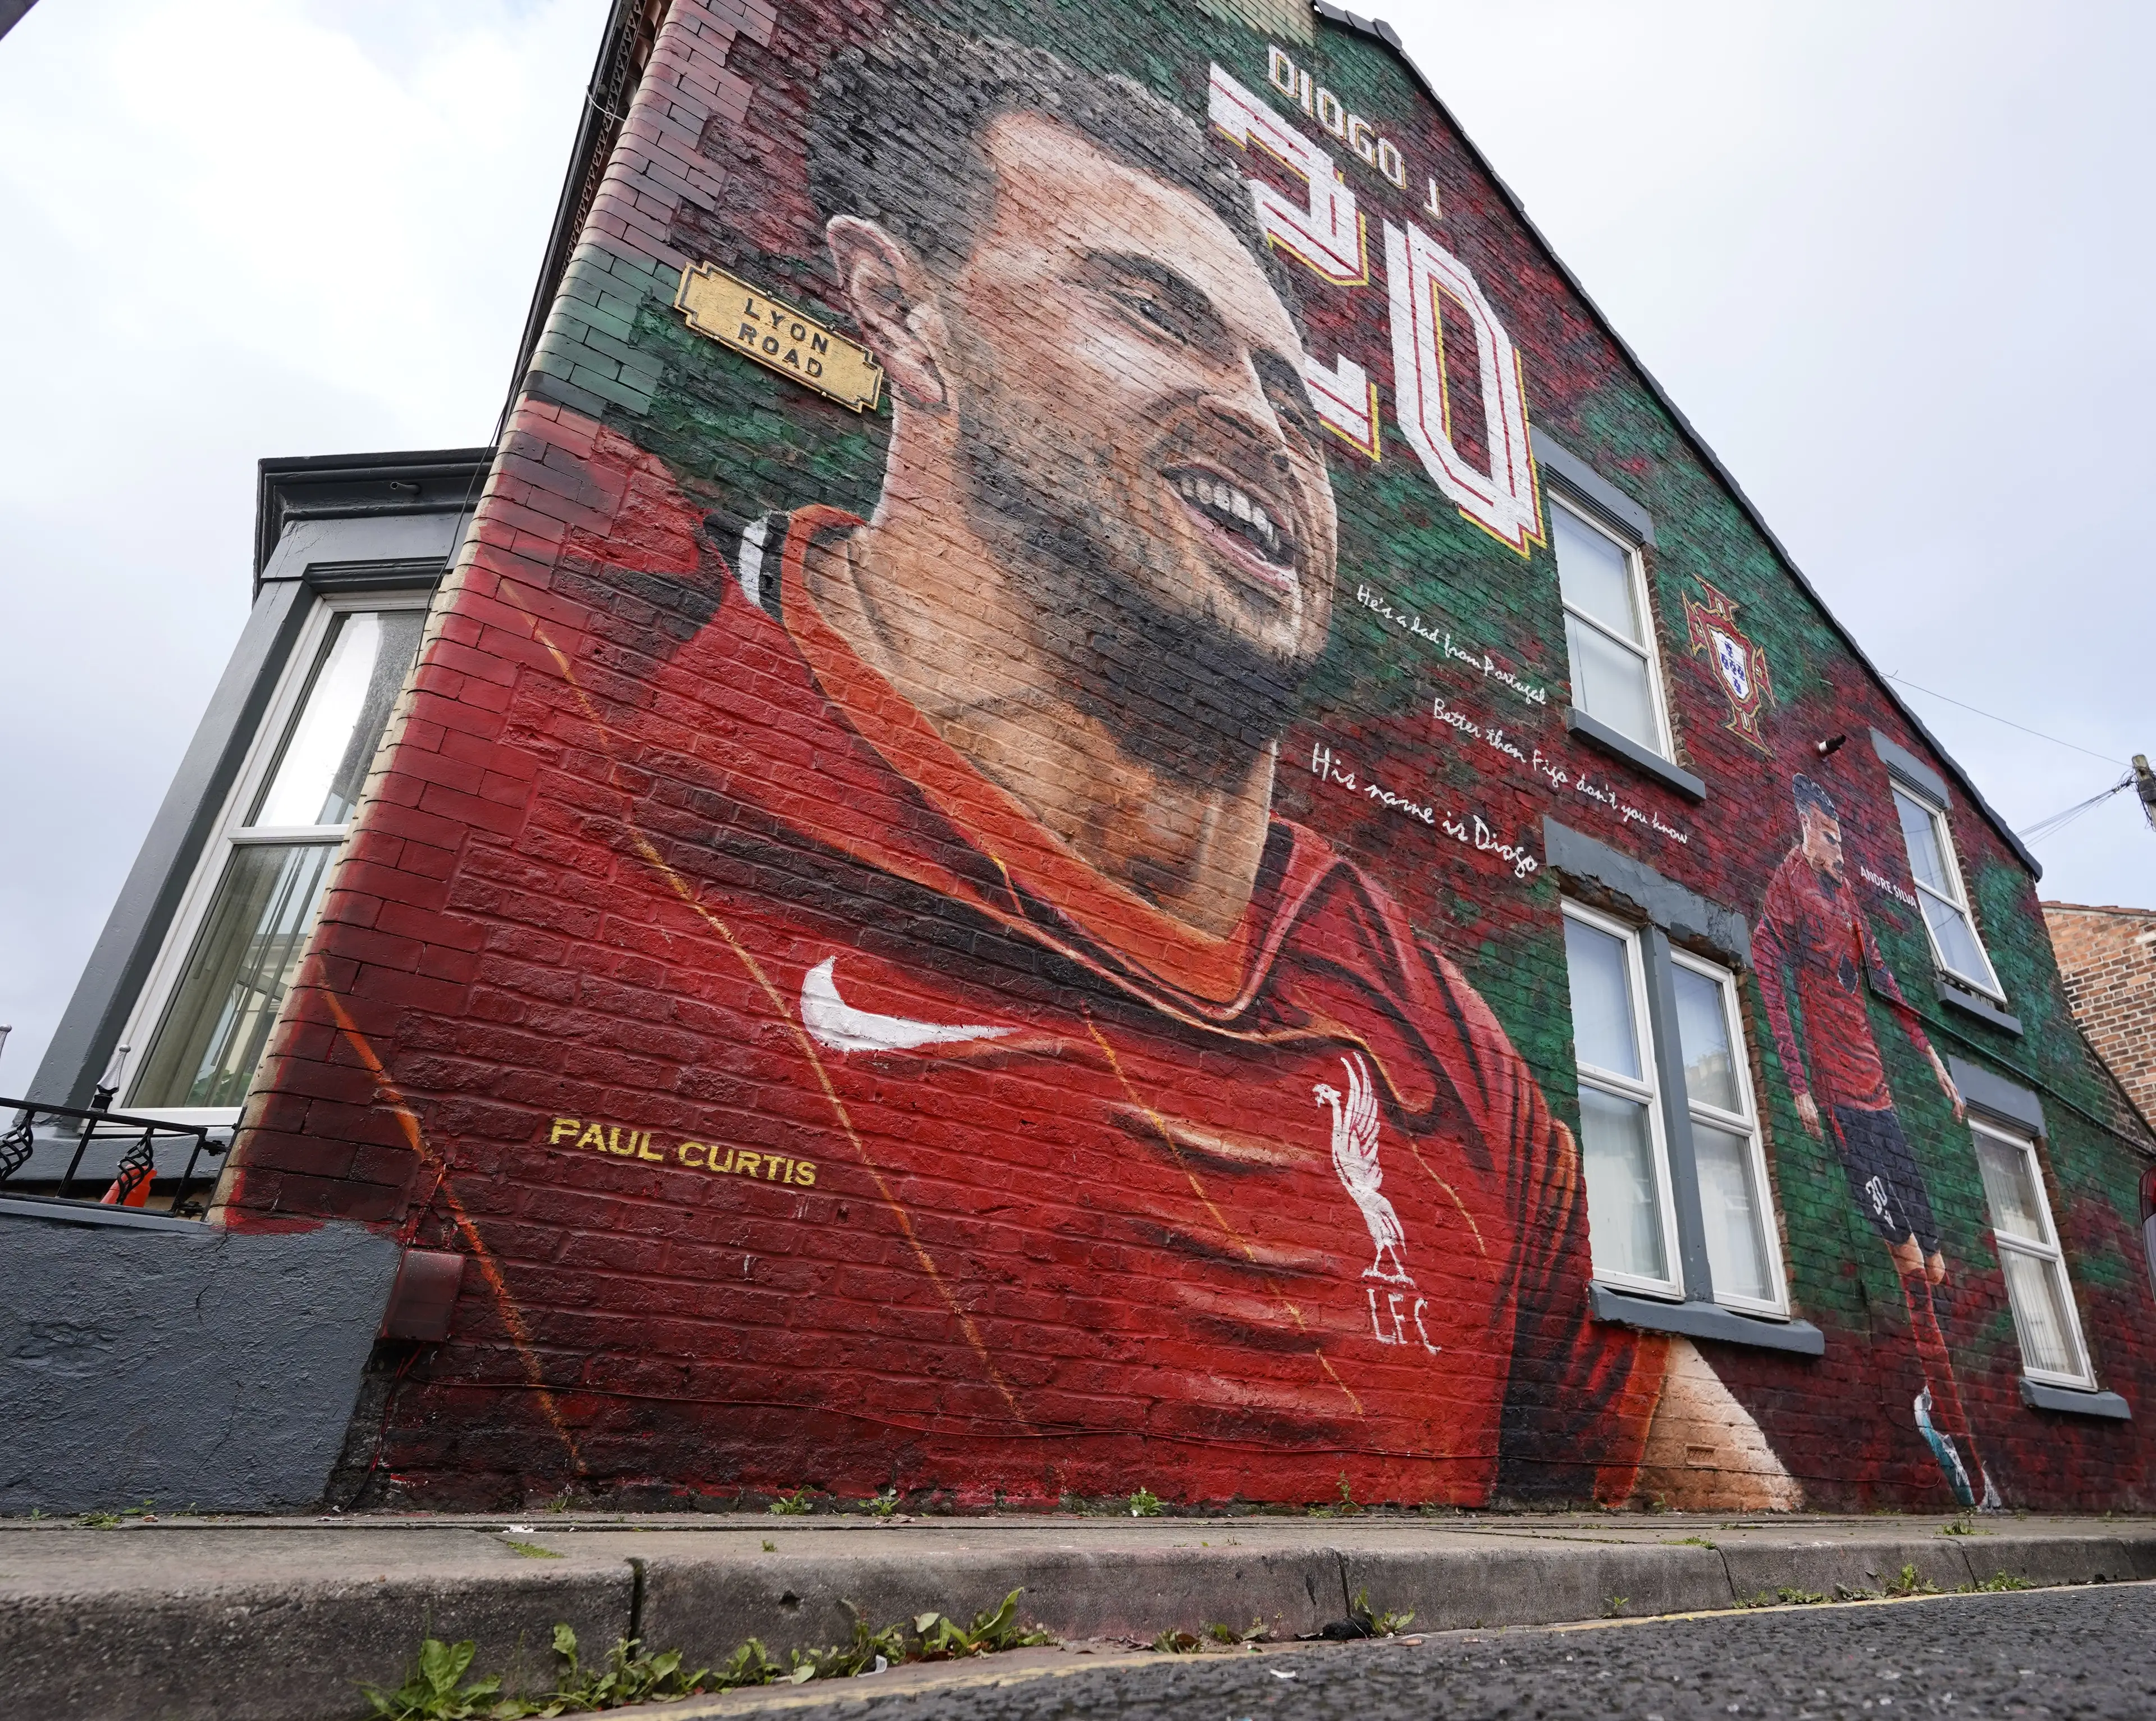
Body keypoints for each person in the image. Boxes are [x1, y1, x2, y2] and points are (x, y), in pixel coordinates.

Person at [501, 19, 1783, 1507]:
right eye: (1148, 310)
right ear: (898, 314)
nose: (1261, 418)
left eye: (1290, 393)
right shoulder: (590, 642)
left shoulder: (1424, 1023)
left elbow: (1719, 1506)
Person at [1753, 775, 1995, 1507]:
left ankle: (1942, 1403)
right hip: (1844, 1110)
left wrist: (1942, 1076)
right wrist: (1797, 1086)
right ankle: (1952, 1431)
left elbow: (1886, 983)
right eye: (1830, 836)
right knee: (1909, 1265)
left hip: (1884, 1102)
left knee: (1940, 1265)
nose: (1839, 850)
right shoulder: (1787, 891)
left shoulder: (1847, 900)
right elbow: (1768, 978)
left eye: (1841, 837)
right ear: (1804, 825)